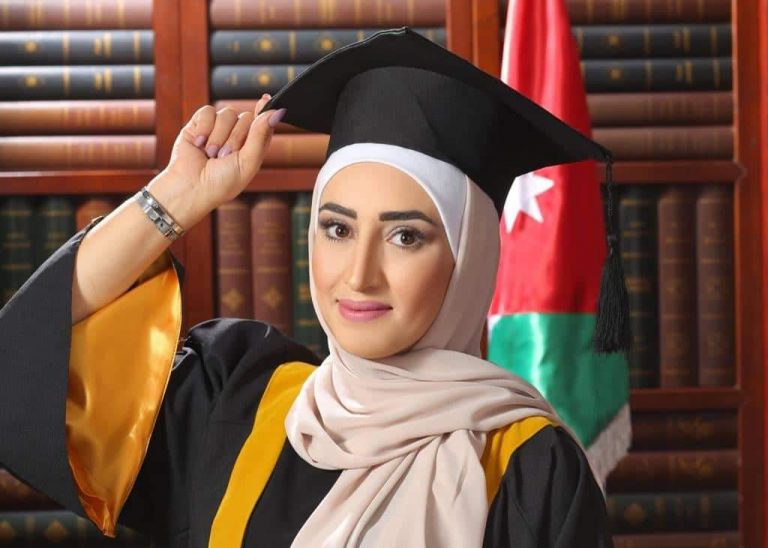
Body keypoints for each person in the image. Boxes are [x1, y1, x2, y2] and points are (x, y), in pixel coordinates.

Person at [0, 28, 619, 547]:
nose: (359, 275)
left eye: (406, 236)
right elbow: (17, 377)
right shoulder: (236, 403)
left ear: (469, 260)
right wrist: (172, 201)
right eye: (338, 228)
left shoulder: (531, 469)